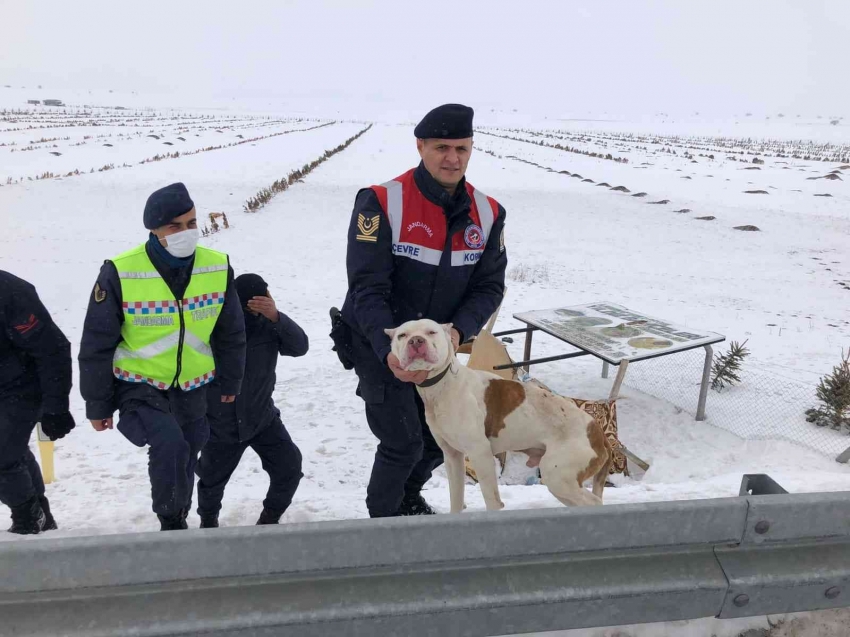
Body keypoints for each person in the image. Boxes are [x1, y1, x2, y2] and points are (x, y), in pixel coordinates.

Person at [338, 103, 508, 517]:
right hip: (381, 341)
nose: (452, 158)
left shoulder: (488, 213)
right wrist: (390, 352)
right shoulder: (381, 202)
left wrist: (456, 333)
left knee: (440, 440)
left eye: (461, 149)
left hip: (440, 349)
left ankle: (407, 497)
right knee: (402, 442)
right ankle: (384, 522)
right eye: (441, 148)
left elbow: (490, 286)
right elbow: (367, 288)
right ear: (420, 146)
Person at [79, 183, 246, 531]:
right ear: (154, 229)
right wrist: (97, 403)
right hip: (139, 384)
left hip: (193, 383)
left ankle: (180, 513)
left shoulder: (216, 267)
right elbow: (96, 342)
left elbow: (229, 331)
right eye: (175, 226)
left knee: (189, 447)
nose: (186, 232)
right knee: (170, 445)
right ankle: (170, 522)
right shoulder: (121, 271)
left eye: (191, 223)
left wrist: (231, 380)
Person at [196, 273, 308, 528]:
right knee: (211, 482)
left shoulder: (269, 325)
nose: (265, 302)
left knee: (289, 467)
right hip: (219, 425)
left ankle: (269, 520)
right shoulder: (213, 328)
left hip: (262, 419)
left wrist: (277, 317)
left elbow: (300, 347)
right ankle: (208, 522)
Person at [0, 271, 75, 534]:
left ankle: (28, 518)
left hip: (20, 386)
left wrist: (56, 407)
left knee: (3, 452)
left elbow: (51, 348)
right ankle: (41, 512)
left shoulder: (10, 291)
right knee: (11, 450)